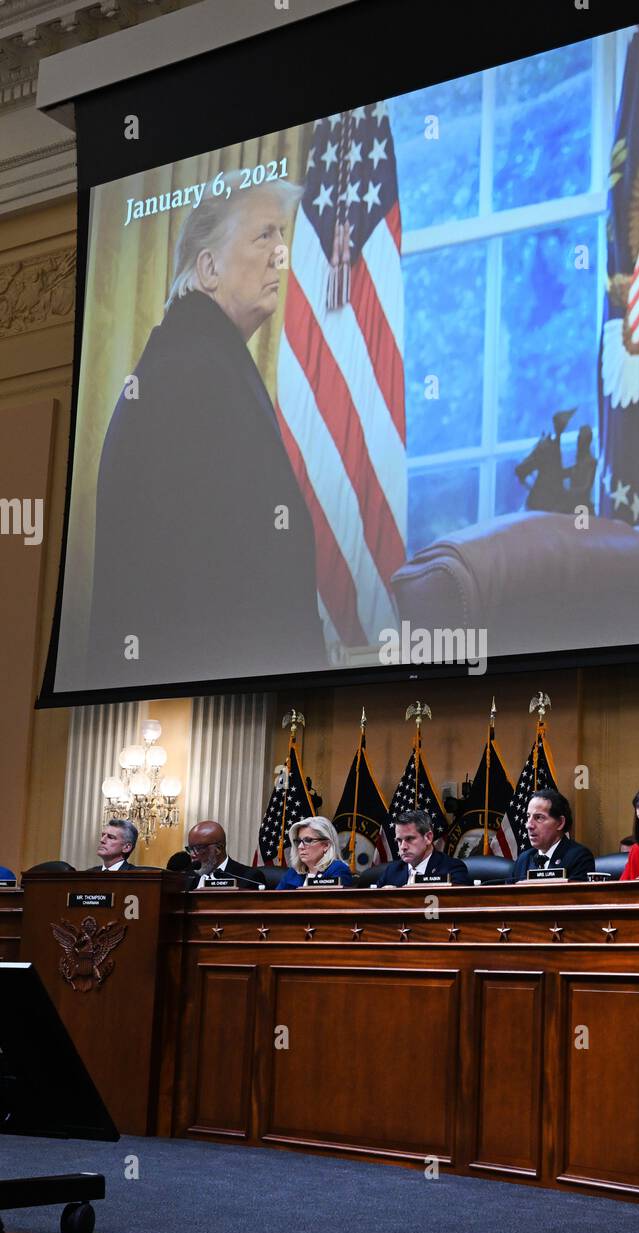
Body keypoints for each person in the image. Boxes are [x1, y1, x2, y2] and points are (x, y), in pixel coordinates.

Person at [87, 174, 324, 688]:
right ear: (209, 268)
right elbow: (210, 574)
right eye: (264, 236)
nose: (281, 255)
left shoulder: (193, 357)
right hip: (211, 715)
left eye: (281, 238)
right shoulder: (194, 369)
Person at [508, 788, 595, 882]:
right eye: (528, 817)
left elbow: (575, 896)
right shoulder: (523, 860)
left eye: (539, 818)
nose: (529, 825)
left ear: (560, 823)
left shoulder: (579, 857)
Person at [375, 810, 469, 887]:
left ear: (428, 838)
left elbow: (458, 905)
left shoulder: (452, 869)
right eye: (399, 840)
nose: (403, 847)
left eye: (409, 839)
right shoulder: (391, 871)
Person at [276, 817, 353, 888]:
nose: (300, 847)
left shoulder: (338, 869)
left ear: (326, 845)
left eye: (308, 840)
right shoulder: (294, 872)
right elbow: (275, 901)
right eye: (298, 841)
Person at [186, 820, 263, 888]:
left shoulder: (248, 877)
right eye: (190, 849)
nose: (193, 855)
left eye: (199, 848)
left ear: (218, 849)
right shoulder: (186, 877)